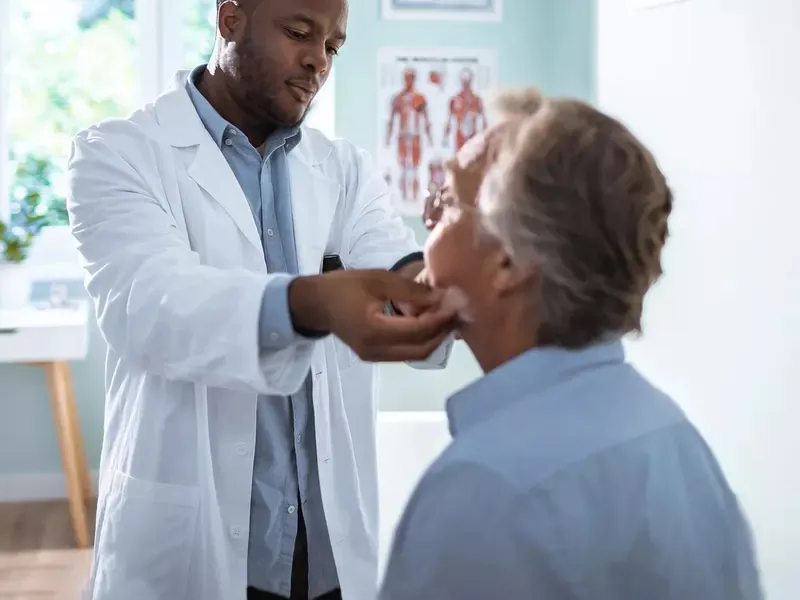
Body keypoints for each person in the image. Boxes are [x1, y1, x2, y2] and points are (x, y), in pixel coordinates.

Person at [66, 1, 456, 599]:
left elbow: (402, 273)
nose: (316, 61)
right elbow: (152, 305)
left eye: (332, 47)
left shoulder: (342, 169)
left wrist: (455, 245)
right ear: (230, 19)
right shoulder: (119, 154)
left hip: (321, 545)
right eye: (299, 33)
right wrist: (316, 302)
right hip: (195, 540)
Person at [379, 89, 764, 600]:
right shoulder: (674, 438)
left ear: (508, 264)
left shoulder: (483, 489)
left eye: (448, 204)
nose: (428, 225)